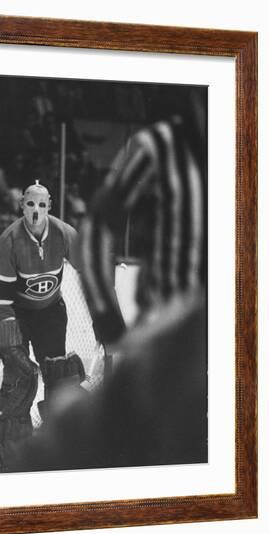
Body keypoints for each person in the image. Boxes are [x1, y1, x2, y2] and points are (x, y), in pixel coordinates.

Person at [14, 88, 208, 472]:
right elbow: (98, 230)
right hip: (171, 336)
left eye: (41, 204)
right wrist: (111, 327)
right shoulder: (160, 147)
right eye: (30, 204)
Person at [0, 180, 85, 471]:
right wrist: (10, 340)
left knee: (58, 375)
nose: (35, 210)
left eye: (41, 205)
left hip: (51, 313)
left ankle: (59, 445)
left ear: (50, 207)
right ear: (21, 205)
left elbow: (91, 269)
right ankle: (13, 454)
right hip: (19, 313)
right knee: (19, 379)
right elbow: (1, 300)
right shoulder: (9, 241)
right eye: (30, 203)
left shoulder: (64, 233)